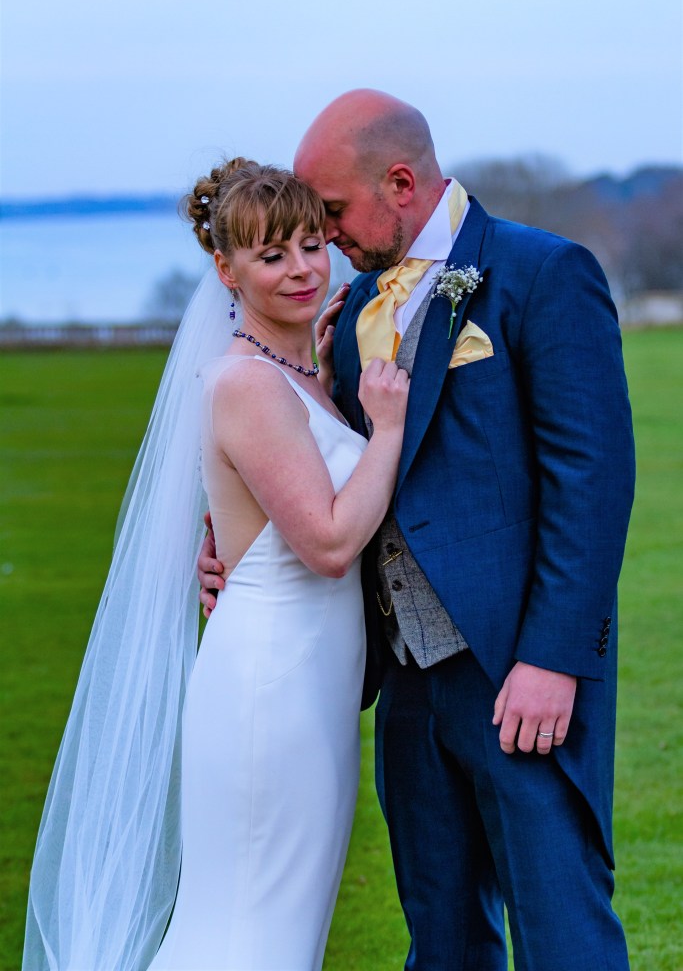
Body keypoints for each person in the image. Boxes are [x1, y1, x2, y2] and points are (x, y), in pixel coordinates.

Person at [199, 91, 636, 971]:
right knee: (441, 939)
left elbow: (592, 482)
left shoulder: (541, 273)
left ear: (399, 183)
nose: (323, 240)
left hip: (516, 676)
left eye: (330, 213)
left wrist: (552, 661)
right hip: (400, 680)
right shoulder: (350, 311)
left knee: (560, 931)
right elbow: (321, 465)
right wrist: (237, 556)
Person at [23, 159, 409, 971]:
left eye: (311, 244)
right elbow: (328, 545)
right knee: (248, 930)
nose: (302, 269)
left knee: (278, 924)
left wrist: (331, 387)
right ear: (226, 271)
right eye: (272, 255)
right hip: (271, 686)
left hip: (312, 683)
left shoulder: (296, 375)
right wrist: (386, 430)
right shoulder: (245, 385)